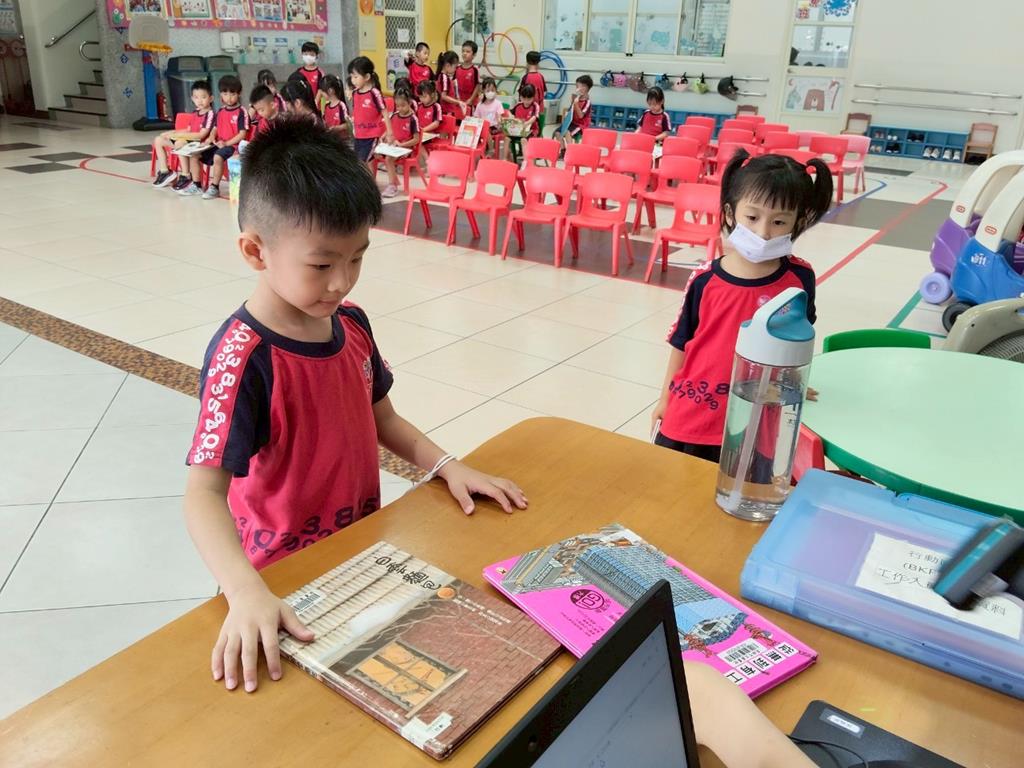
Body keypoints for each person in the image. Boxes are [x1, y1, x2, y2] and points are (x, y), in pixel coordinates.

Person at [184, 117, 528, 694]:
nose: (342, 282)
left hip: (358, 553)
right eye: (322, 265)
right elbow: (202, 495)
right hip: (276, 581)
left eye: (357, 258)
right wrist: (244, 591)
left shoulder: (351, 325)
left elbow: (383, 419)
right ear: (255, 251)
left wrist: (448, 466)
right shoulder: (242, 358)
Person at [652, 150, 832, 461]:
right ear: (730, 212)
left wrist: (793, 382)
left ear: (798, 221)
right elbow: (681, 343)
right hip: (693, 414)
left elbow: (796, 342)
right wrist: (665, 399)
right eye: (752, 217)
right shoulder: (704, 279)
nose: (764, 232)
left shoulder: (800, 279)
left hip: (756, 419)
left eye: (779, 221)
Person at [183, 75, 247, 200]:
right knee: (194, 154)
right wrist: (210, 138)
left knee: (218, 156)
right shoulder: (221, 111)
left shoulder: (241, 112)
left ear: (239, 94)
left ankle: (214, 187)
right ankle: (197, 185)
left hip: (233, 146)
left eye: (233, 94)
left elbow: (242, 134)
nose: (229, 98)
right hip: (219, 144)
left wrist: (226, 143)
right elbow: (215, 128)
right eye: (225, 94)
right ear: (220, 94)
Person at [152, 79, 214, 189]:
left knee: (179, 143)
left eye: (203, 97)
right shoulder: (195, 112)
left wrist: (177, 136)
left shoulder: (210, 114)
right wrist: (172, 132)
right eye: (196, 97)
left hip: (200, 144)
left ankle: (186, 175)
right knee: (159, 140)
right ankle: (165, 171)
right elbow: (188, 130)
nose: (200, 101)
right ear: (192, 99)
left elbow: (201, 135)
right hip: (189, 140)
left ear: (211, 98)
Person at [348, 56, 391, 164]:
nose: (353, 80)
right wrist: (353, 119)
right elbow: (357, 110)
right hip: (358, 135)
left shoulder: (374, 93)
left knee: (361, 163)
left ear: (367, 77)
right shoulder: (355, 93)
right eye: (351, 77)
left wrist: (390, 132)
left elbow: (385, 112)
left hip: (371, 136)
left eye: (356, 77)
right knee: (359, 162)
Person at [381, 87, 420, 198]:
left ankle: (393, 186)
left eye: (403, 105)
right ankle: (394, 180)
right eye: (397, 106)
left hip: (405, 148)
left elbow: (416, 139)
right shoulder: (394, 115)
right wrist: (383, 137)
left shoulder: (413, 119)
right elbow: (389, 129)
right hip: (394, 146)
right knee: (375, 154)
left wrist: (402, 145)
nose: (400, 109)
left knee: (388, 159)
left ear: (410, 103)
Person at [505, 83, 540, 163]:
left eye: (529, 99)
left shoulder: (535, 106)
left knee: (524, 140)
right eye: (524, 98)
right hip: (518, 130)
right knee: (507, 138)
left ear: (533, 97)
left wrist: (527, 123)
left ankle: (525, 161)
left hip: (532, 130)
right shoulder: (518, 105)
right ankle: (505, 159)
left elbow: (534, 117)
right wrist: (511, 116)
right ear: (520, 97)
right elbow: (509, 111)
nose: (526, 101)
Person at [473, 77, 505, 157]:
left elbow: (499, 116)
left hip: (494, 127)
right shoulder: (480, 104)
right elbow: (476, 117)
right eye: (488, 90)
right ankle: (477, 150)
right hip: (483, 126)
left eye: (493, 90)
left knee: (486, 130)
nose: (490, 92)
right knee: (478, 129)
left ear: (496, 90)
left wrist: (499, 120)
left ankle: (491, 149)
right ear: (483, 91)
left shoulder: (498, 103)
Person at [415, 79, 443, 164]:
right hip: (420, 133)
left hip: (431, 134)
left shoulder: (436, 107)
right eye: (420, 97)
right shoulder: (419, 105)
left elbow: (436, 123)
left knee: (416, 140)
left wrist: (423, 130)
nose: (422, 99)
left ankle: (428, 160)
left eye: (424, 97)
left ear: (432, 94)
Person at [292, 41, 325, 108]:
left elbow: (321, 89)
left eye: (311, 54)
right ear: (302, 54)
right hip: (302, 107)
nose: (308, 57)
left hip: (316, 107)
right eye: (306, 54)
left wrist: (315, 103)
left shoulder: (319, 72)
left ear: (316, 56)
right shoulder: (299, 72)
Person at [434, 50, 466, 118]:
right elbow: (444, 96)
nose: (455, 69)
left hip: (448, 110)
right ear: (448, 65)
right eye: (455, 67)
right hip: (446, 111)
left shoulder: (443, 77)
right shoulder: (444, 78)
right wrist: (458, 102)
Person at [455, 40, 481, 117]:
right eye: (463, 51)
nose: (464, 53)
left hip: (471, 102)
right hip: (459, 101)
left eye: (468, 51)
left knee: (469, 121)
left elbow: (477, 86)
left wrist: (471, 99)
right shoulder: (457, 68)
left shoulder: (475, 70)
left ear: (474, 55)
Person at [565, 74, 593, 143]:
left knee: (567, 132)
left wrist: (575, 103)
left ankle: (571, 149)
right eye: (577, 86)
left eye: (581, 86)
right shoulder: (576, 98)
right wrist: (572, 102)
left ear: (587, 88)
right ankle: (563, 148)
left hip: (581, 125)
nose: (578, 89)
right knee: (558, 132)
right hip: (573, 123)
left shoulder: (587, 102)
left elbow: (580, 116)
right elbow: (570, 111)